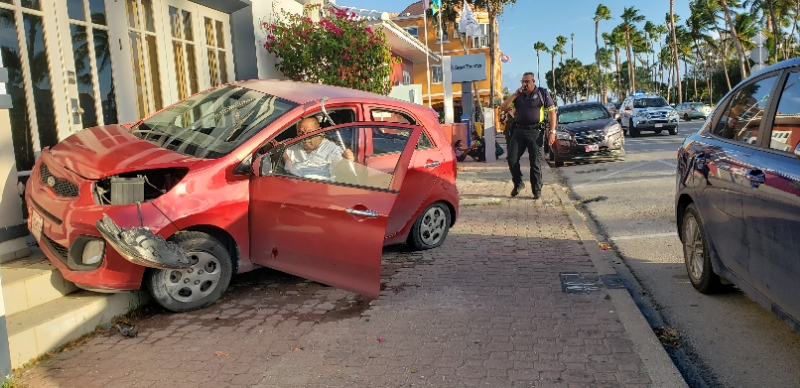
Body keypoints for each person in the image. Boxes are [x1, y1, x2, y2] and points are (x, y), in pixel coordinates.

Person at [499, 72, 556, 199]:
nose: (524, 84)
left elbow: (552, 112)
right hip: (518, 131)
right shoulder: (518, 96)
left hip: (536, 132)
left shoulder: (542, 93)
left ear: (533, 81)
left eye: (527, 81)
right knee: (512, 159)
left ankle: (536, 190)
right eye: (523, 81)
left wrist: (552, 132)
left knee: (535, 163)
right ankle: (518, 183)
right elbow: (503, 108)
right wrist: (515, 95)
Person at [283, 117, 355, 181]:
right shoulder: (292, 144)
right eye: (300, 132)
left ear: (319, 131)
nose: (304, 136)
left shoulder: (332, 149)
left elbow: (345, 167)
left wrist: (349, 162)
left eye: (309, 132)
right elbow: (274, 145)